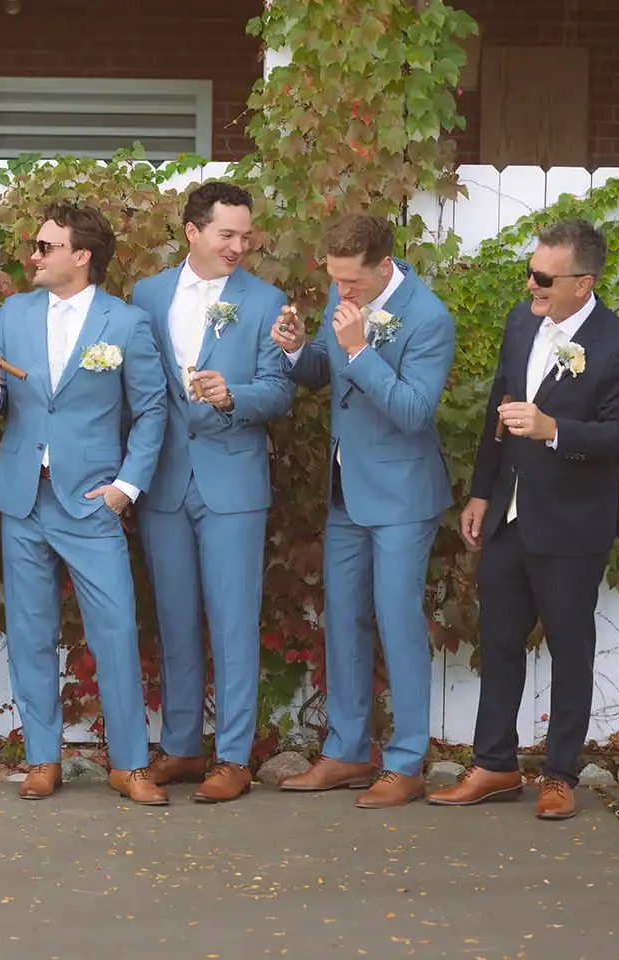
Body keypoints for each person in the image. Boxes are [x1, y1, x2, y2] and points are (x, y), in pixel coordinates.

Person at [428, 218, 619, 820]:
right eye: (530, 272)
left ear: (584, 282)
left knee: (570, 649)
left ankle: (559, 774)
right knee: (499, 643)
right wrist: (480, 492)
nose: (532, 285)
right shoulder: (521, 322)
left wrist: (555, 430)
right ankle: (495, 764)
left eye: (543, 277)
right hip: (510, 516)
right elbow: (500, 412)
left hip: (573, 525)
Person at [0, 201, 169, 805]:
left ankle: (131, 764)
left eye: (46, 246)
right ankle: (41, 759)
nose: (33, 254)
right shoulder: (15, 311)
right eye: (35, 244)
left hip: (91, 501)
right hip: (23, 497)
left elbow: (152, 409)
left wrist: (125, 489)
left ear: (81, 256)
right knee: (30, 632)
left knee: (114, 632)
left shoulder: (126, 323)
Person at [270, 212, 455, 808]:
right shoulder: (342, 288)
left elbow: (412, 413)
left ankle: (404, 762)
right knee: (343, 618)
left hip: (402, 495)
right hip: (346, 489)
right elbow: (326, 369)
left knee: (397, 620)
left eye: (351, 283)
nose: (341, 292)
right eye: (335, 281)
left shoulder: (429, 318)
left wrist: (358, 350)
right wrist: (301, 351)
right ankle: (347, 753)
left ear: (384, 266)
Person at [129, 181, 295, 803]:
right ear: (192, 231)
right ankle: (179, 747)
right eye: (226, 233)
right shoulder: (146, 295)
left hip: (232, 478)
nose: (238, 245)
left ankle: (232, 756)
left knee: (231, 622)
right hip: (165, 479)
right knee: (173, 619)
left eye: (245, 236)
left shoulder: (265, 299)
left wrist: (236, 397)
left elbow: (279, 391)